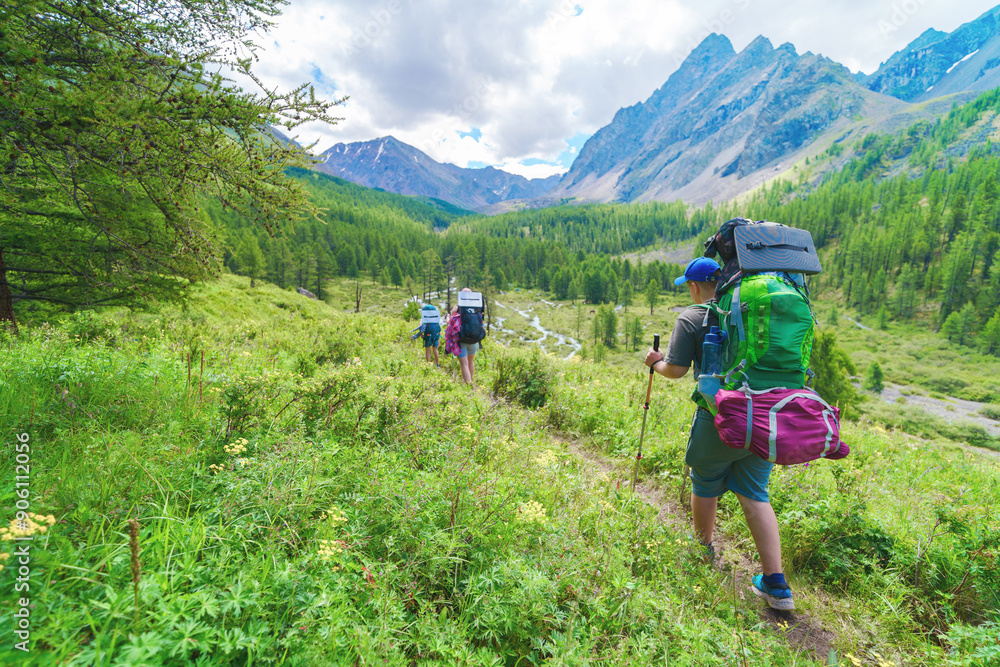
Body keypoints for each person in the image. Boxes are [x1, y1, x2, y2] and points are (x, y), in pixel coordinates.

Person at [643, 256, 794, 611]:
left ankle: (703, 551)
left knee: (705, 482)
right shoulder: (755, 311)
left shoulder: (693, 316)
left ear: (694, 287)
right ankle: (777, 585)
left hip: (720, 417)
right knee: (756, 492)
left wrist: (654, 361)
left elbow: (676, 370)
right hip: (764, 415)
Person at [447, 287, 482, 386]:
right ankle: (470, 381)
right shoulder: (477, 307)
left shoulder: (458, 308)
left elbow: (451, 323)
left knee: (464, 364)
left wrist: (448, 317)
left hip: (461, 340)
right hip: (474, 340)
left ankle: (469, 385)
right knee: (471, 362)